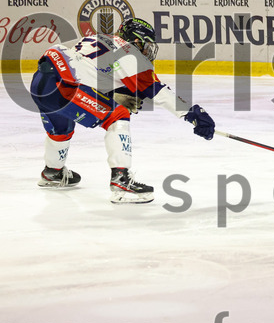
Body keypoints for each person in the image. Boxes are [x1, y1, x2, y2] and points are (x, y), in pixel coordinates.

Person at [28, 18, 216, 204]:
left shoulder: (100, 38)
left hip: (41, 81)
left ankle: (53, 172)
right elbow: (157, 91)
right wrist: (192, 114)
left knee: (62, 127)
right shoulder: (130, 52)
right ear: (135, 41)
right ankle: (121, 180)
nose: (146, 51)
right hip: (65, 86)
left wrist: (114, 95)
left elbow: (89, 71)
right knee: (118, 116)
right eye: (145, 45)